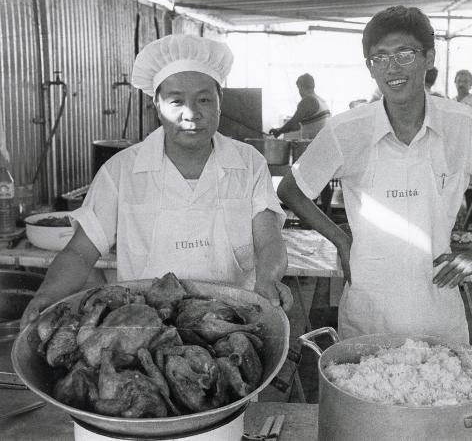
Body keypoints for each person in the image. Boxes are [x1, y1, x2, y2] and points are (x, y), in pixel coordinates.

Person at [277, 6, 472, 342]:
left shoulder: (462, 124)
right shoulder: (347, 130)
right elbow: (290, 189)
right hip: (368, 312)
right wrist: (341, 239)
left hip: (438, 310)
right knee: (366, 389)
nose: (392, 68)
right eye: (379, 58)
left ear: (429, 58)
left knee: (442, 390)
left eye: (404, 53)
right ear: (370, 68)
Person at [21, 35, 292, 329]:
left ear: (220, 102)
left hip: (233, 321)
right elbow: (79, 251)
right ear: (157, 105)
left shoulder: (248, 163)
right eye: (176, 101)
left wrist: (268, 278)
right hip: (143, 324)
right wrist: (47, 295)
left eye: (203, 99)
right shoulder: (121, 171)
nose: (191, 113)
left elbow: (269, 239)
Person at [269, 73, 331, 140]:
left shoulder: (308, 100)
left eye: (299, 88)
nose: (299, 92)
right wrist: (280, 129)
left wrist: (279, 132)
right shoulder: (322, 101)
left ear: (301, 87)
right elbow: (297, 126)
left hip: (315, 145)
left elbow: (293, 122)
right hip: (323, 143)